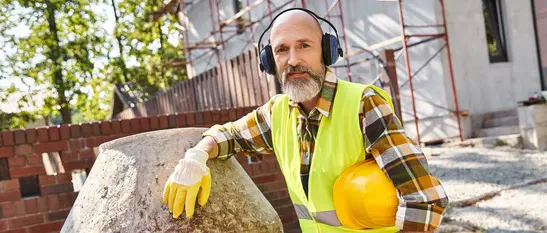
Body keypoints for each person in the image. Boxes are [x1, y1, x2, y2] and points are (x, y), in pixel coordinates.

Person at [162, 8, 448, 233]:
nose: (293, 59)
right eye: (281, 50)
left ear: (326, 51)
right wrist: (197, 155)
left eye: (304, 45)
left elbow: (425, 199)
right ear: (269, 60)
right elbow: (231, 135)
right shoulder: (276, 113)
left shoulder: (363, 105)